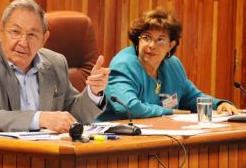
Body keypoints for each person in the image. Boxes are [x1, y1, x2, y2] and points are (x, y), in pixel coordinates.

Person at [0, 0, 109, 167]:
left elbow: (73, 115)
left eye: (32, 35)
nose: (23, 42)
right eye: (15, 32)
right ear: (1, 31)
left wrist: (94, 92)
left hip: (42, 157)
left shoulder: (55, 63)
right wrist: (41, 118)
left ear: (44, 38)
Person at [97, 8, 239, 121]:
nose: (151, 45)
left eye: (160, 40)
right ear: (138, 40)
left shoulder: (173, 65)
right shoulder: (124, 64)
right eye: (146, 38)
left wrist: (219, 104)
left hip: (158, 135)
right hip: (115, 138)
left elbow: (191, 97)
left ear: (170, 45)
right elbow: (127, 108)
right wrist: (168, 111)